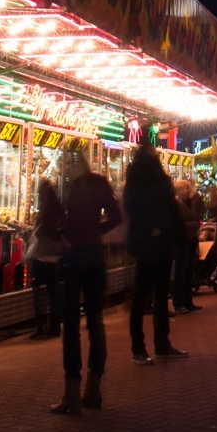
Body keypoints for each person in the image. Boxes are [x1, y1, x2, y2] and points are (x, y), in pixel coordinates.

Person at [49, 150, 122, 416]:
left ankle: (71, 393)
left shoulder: (67, 186)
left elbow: (59, 222)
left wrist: (68, 232)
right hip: (95, 256)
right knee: (95, 323)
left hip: (74, 257)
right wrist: (96, 231)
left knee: (71, 325)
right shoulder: (98, 182)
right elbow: (116, 216)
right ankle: (94, 388)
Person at [124, 145, 188, 364]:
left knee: (145, 295)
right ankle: (157, 345)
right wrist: (158, 227)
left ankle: (142, 347)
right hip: (157, 241)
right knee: (156, 295)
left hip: (149, 242)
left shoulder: (137, 179)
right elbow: (168, 209)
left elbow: (132, 208)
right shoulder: (156, 180)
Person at [28, 179, 65, 339]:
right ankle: (55, 327)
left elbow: (40, 229)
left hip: (41, 254)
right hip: (54, 255)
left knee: (36, 289)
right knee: (53, 291)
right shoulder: (58, 206)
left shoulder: (44, 209)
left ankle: (40, 326)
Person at [172, 179, 203, 313]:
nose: (189, 190)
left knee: (189, 271)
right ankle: (179, 303)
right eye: (186, 188)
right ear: (180, 190)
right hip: (183, 241)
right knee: (181, 272)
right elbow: (179, 223)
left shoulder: (189, 203)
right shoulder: (177, 204)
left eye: (189, 188)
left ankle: (188, 301)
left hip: (191, 240)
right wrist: (195, 225)